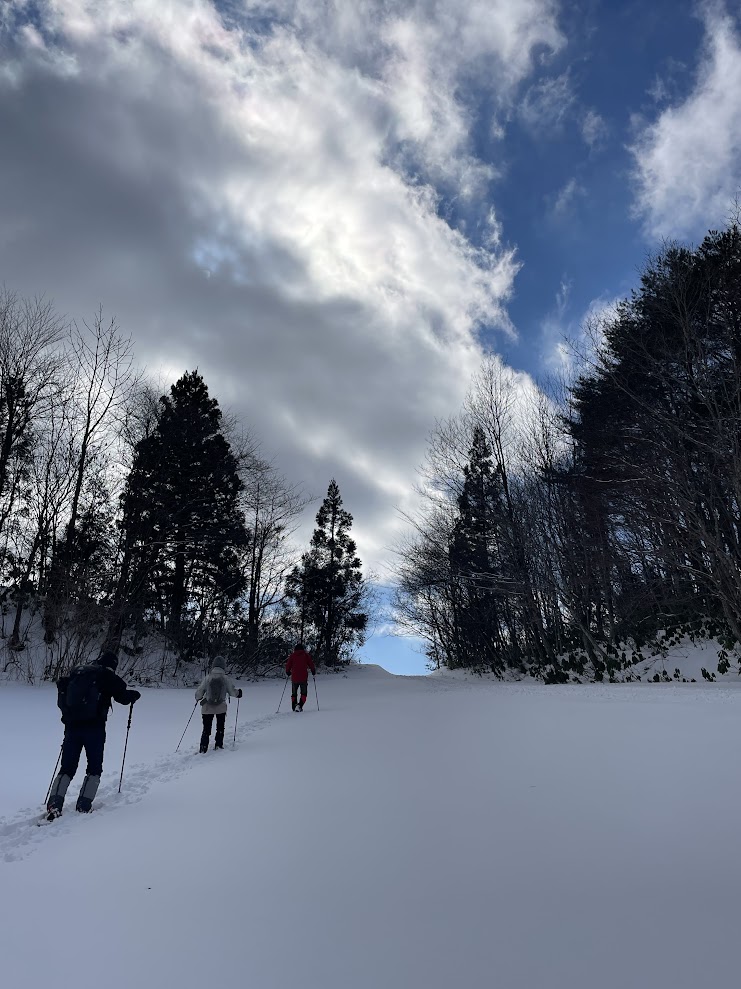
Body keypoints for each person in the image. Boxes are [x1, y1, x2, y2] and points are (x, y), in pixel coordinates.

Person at [47, 650, 141, 820]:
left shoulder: (78, 673)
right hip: (94, 729)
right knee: (94, 767)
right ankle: (83, 805)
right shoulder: (107, 676)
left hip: (72, 728)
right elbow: (123, 697)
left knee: (67, 768)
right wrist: (133, 695)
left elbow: (63, 692)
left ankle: (54, 803)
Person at [195, 657, 241, 753]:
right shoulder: (225, 678)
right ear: (223, 666)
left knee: (206, 729)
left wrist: (197, 698)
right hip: (221, 707)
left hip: (207, 707)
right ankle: (218, 746)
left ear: (213, 665)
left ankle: (203, 749)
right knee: (220, 728)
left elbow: (199, 692)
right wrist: (239, 693)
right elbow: (232, 692)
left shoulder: (208, 678)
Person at [285, 642, 316, 712]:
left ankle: (294, 706)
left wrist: (288, 672)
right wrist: (313, 671)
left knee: (294, 693)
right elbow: (311, 664)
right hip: (303, 677)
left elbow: (288, 664)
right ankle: (300, 705)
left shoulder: (292, 656)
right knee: (304, 693)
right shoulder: (306, 655)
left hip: (294, 677)